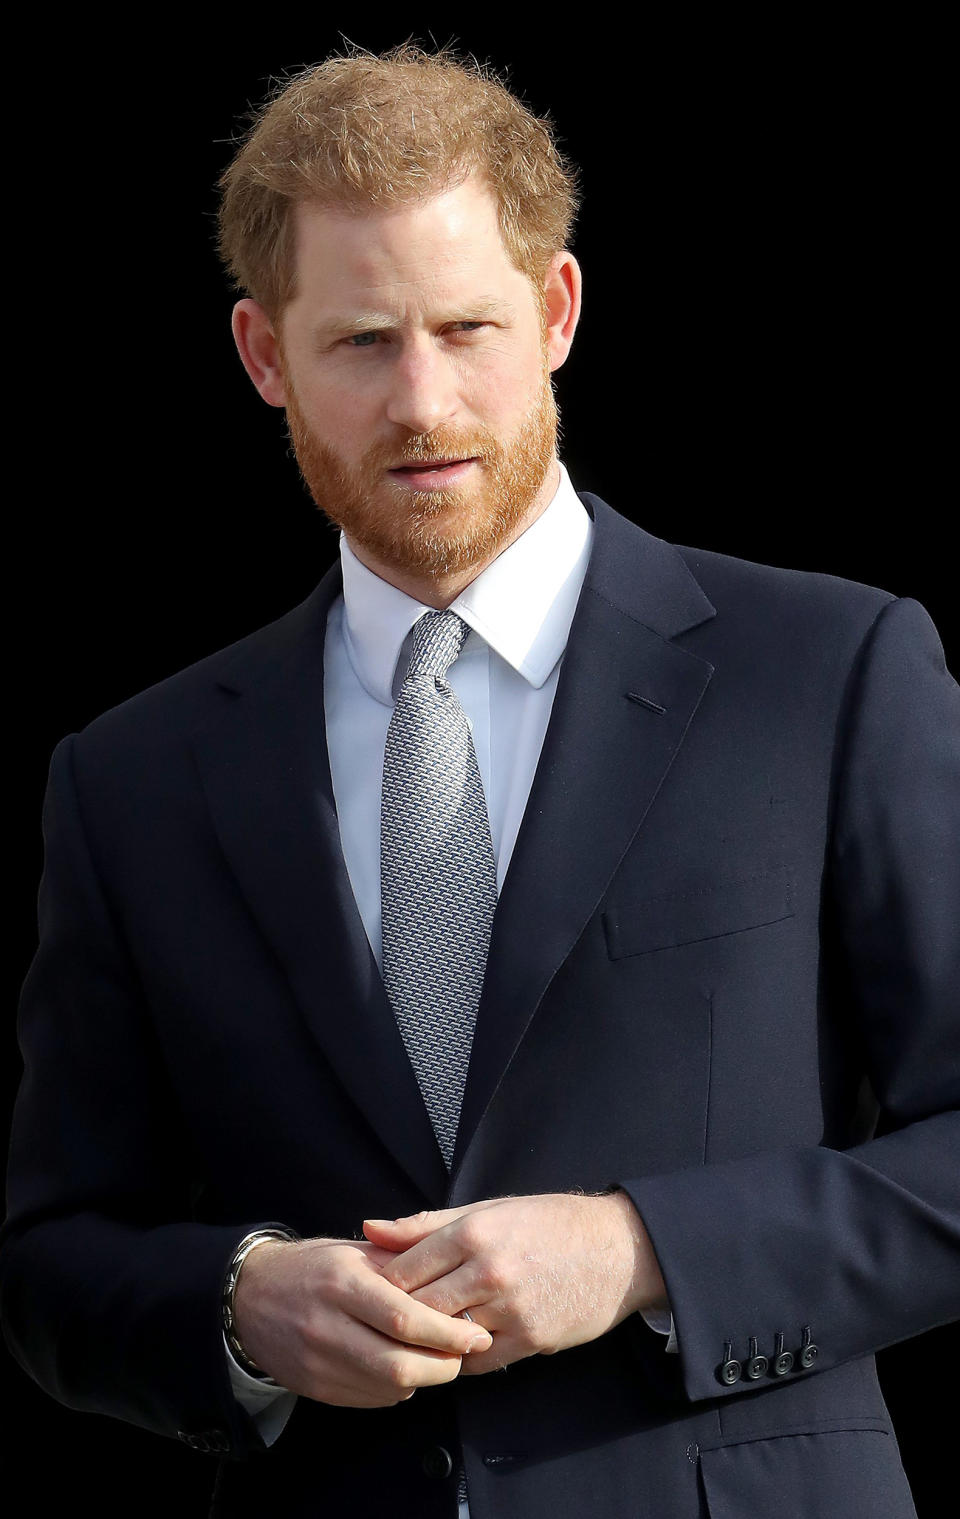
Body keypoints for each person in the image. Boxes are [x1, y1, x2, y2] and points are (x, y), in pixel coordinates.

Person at [1, 40, 957, 1519]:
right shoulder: (136, 778)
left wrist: (642, 1251)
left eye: (468, 328)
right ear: (263, 355)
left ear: (559, 309)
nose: (426, 403)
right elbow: (56, 1258)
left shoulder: (828, 674)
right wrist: (239, 1305)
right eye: (363, 343)